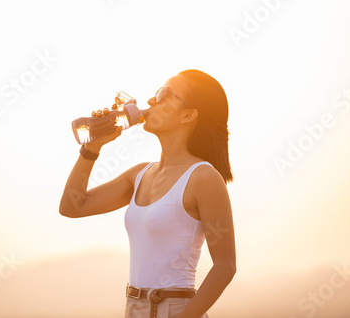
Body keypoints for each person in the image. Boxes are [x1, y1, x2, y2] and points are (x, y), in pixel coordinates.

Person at [59, 69, 236, 318]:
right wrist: (91, 148)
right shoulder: (140, 175)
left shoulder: (203, 178)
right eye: (156, 92)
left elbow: (225, 267)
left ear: (188, 115)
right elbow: (72, 207)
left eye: (165, 94)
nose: (152, 100)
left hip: (176, 309)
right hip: (134, 308)